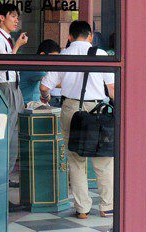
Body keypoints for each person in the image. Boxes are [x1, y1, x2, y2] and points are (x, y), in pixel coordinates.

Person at [39, 21, 115, 219]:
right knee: (103, 159)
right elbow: (113, 89)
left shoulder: (64, 55)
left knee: (75, 159)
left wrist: (45, 98)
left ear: (70, 37)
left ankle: (82, 209)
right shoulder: (101, 55)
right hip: (97, 110)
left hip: (71, 109)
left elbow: (45, 86)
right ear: (90, 36)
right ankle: (107, 206)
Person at [0, 3, 28, 187]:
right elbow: (3, 64)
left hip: (13, 86)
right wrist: (17, 46)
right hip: (4, 86)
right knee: (5, 134)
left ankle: (5, 176)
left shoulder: (6, 38)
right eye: (13, 16)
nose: (16, 20)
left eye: (17, 17)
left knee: (14, 134)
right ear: (2, 17)